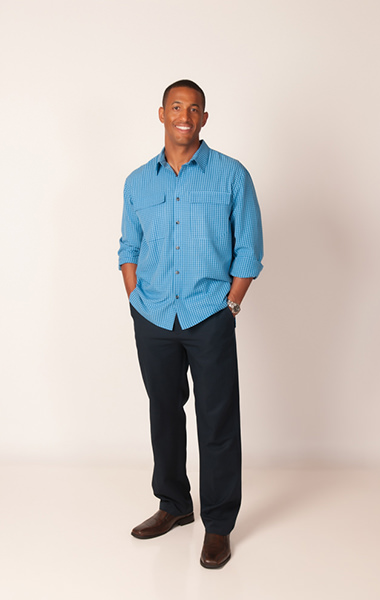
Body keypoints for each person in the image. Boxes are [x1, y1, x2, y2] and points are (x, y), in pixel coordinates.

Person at [118, 79, 263, 569]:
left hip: (209, 315)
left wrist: (231, 305)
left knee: (217, 420)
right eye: (177, 106)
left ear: (204, 118)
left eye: (194, 108)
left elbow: (249, 249)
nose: (185, 115)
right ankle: (174, 504)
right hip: (153, 314)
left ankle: (218, 525)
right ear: (162, 114)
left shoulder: (231, 175)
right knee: (164, 412)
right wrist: (135, 296)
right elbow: (129, 245)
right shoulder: (138, 182)